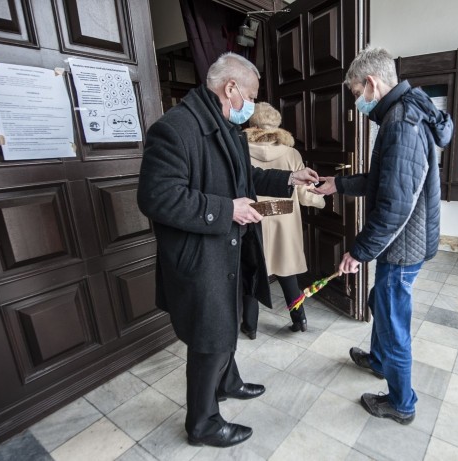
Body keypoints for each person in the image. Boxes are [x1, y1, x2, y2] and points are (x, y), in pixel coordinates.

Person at [137, 52, 319, 448]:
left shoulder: (224, 126)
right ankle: (202, 423)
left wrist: (290, 176)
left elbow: (245, 176)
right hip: (200, 255)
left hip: (229, 249)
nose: (252, 105)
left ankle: (229, 381)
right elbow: (157, 197)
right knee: (210, 339)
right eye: (251, 95)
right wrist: (225, 210)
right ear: (230, 88)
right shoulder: (175, 128)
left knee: (227, 321)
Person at [315, 47, 453, 425]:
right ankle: (378, 361)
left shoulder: (401, 124)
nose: (358, 101)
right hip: (403, 240)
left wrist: (359, 252)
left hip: (402, 245)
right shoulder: (404, 111)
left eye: (357, 93)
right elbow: (385, 180)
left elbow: (394, 204)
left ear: (372, 83)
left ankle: (401, 403)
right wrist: (338, 184)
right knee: (381, 299)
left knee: (393, 322)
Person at [240, 103, 326, 339]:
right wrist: (321, 201)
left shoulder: (239, 151)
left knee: (252, 271)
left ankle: (250, 326)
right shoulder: (292, 154)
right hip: (285, 221)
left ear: (251, 123)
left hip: (253, 219)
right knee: (288, 272)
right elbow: (304, 194)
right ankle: (300, 320)